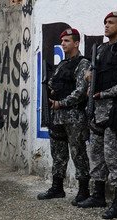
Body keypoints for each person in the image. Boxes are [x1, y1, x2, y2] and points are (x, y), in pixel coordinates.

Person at [77, 11, 117, 220]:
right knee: (95, 154)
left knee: (114, 158)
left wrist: (103, 93)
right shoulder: (101, 49)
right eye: (105, 22)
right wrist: (89, 79)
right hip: (96, 110)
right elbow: (93, 77)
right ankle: (98, 195)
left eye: (111, 22)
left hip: (114, 111)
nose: (106, 25)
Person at [38, 28, 92, 202]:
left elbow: (80, 91)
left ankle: (83, 190)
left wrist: (60, 103)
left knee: (78, 153)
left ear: (76, 43)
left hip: (74, 116)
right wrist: (50, 91)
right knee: (58, 154)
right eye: (62, 41)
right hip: (58, 116)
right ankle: (57, 187)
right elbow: (53, 84)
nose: (63, 44)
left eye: (67, 41)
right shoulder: (62, 64)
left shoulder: (83, 64)